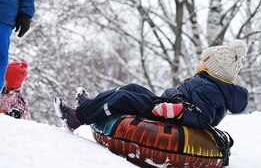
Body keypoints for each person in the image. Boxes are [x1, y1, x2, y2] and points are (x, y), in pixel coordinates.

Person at [54, 39, 249, 131]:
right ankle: (88, 105)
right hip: (165, 104)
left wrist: (178, 111)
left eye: (203, 61)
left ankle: (76, 118)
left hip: (168, 114)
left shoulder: (211, 90)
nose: (198, 63)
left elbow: (203, 117)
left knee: (124, 98)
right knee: (131, 88)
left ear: (212, 68)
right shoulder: (207, 83)